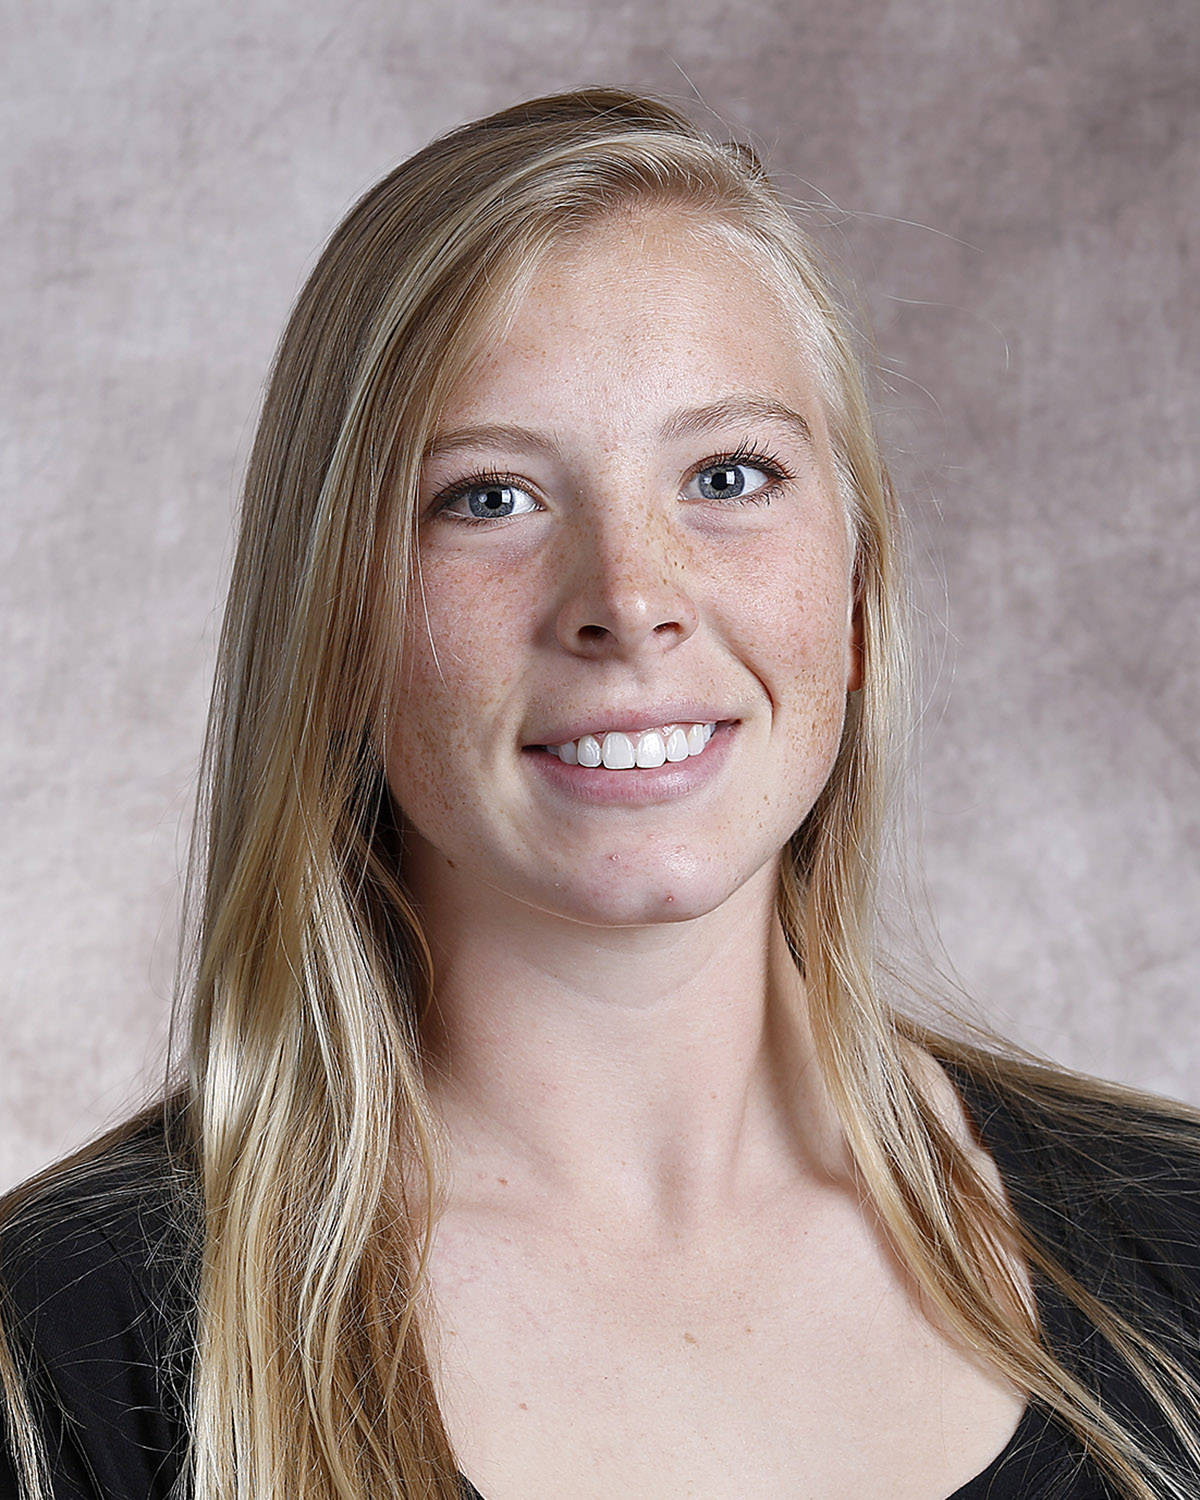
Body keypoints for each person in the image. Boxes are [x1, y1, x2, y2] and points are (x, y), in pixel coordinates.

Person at [1, 86, 1198, 1500]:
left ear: (859, 587)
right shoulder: (62, 1361)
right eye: (488, 498)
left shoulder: (1178, 1252)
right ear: (330, 623)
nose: (630, 600)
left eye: (729, 475)